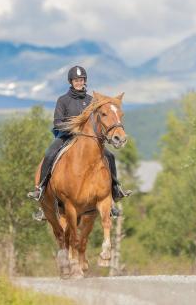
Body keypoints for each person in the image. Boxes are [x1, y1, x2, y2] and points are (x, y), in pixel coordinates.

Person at [27, 65, 132, 221]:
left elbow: (99, 121)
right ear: (71, 81)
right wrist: (73, 129)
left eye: (81, 80)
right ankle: (41, 189)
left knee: (109, 156)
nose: (79, 82)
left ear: (85, 81)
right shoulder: (63, 100)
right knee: (50, 152)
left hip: (88, 141)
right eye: (76, 80)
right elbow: (57, 122)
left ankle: (115, 191)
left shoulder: (91, 101)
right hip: (66, 137)